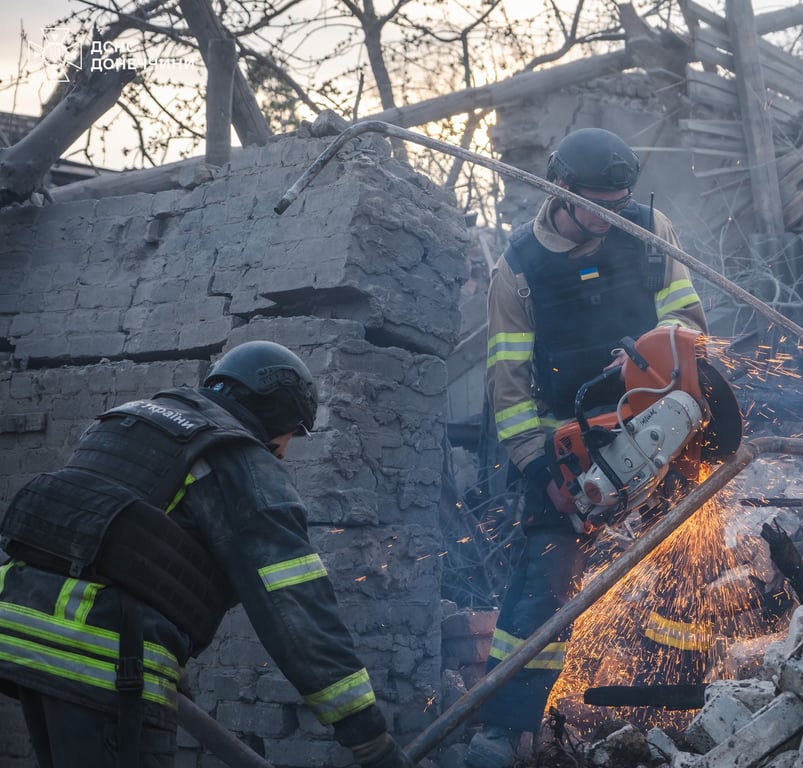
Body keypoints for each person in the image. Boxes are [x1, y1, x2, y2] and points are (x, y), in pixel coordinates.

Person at [0, 340, 415, 768]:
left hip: (18, 630)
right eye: (289, 435)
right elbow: (296, 610)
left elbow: (110, 545)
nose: (285, 451)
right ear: (277, 412)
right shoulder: (240, 462)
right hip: (99, 658)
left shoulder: (129, 420)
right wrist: (368, 736)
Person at [467, 127, 708, 768]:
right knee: (545, 578)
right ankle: (504, 725)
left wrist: (655, 360)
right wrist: (540, 465)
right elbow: (510, 389)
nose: (611, 220)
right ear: (560, 190)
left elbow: (689, 324)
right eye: (597, 207)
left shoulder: (650, 228)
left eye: (619, 204)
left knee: (689, 548)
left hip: (655, 416)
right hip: (563, 437)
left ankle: (676, 699)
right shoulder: (517, 268)